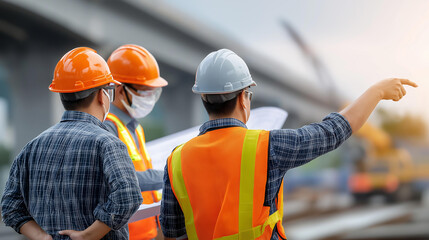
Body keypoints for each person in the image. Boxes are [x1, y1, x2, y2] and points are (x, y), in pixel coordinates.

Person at [159, 48, 417, 239]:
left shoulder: (177, 160)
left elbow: (172, 231)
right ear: (243, 99)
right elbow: (332, 132)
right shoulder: (267, 146)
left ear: (203, 99)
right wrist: (377, 91)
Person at [1, 47, 143, 240]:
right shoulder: (108, 143)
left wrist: (42, 236)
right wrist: (87, 236)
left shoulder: (32, 147)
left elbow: (10, 205)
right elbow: (129, 197)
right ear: (103, 95)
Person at [104, 44, 167, 240]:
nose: (149, 98)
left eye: (153, 92)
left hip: (145, 233)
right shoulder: (107, 127)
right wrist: (171, 175)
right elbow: (126, 180)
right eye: (144, 91)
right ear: (120, 89)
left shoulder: (134, 127)